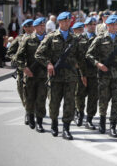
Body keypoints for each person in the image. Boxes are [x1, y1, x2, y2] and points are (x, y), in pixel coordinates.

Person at [35, 12, 87, 140]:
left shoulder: (75, 38)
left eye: (68, 21)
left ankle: (66, 128)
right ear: (59, 22)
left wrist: (82, 74)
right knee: (54, 103)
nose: (66, 23)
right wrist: (48, 64)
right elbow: (38, 54)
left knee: (69, 103)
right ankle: (54, 124)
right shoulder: (51, 37)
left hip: (71, 77)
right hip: (56, 77)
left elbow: (81, 58)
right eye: (64, 21)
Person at [86, 14, 117, 138]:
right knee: (103, 99)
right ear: (107, 25)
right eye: (111, 25)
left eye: (115, 24)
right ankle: (102, 122)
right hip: (104, 75)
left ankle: (113, 126)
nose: (114, 27)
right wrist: (98, 64)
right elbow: (89, 55)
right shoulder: (100, 39)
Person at [16, 17, 47, 132]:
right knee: (29, 98)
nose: (42, 28)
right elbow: (17, 57)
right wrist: (24, 68)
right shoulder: (27, 39)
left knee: (41, 99)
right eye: (39, 26)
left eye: (43, 26)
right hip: (30, 75)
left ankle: (39, 122)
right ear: (35, 27)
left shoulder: (48, 39)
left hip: (43, 76)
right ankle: (30, 116)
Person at [7, 19, 34, 124]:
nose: (29, 28)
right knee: (22, 91)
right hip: (22, 70)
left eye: (31, 26)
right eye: (27, 27)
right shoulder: (19, 39)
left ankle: (30, 111)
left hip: (35, 70)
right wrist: (16, 60)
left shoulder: (39, 38)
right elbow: (10, 52)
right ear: (24, 28)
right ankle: (28, 109)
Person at [74, 17, 98, 130]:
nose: (92, 26)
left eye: (94, 24)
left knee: (93, 96)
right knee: (79, 95)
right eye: (90, 24)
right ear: (85, 26)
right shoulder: (78, 38)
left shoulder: (99, 39)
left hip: (94, 72)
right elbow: (72, 53)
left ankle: (89, 119)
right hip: (80, 72)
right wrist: (75, 64)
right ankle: (80, 113)